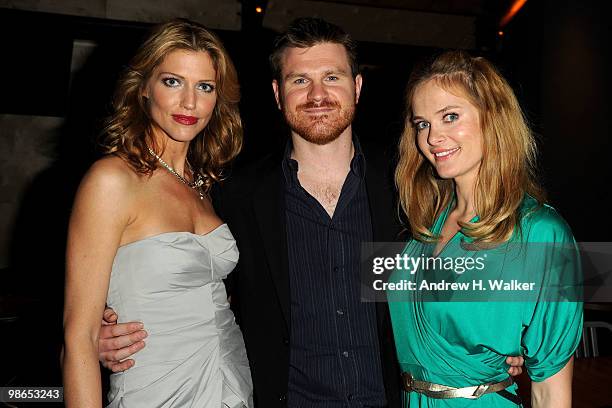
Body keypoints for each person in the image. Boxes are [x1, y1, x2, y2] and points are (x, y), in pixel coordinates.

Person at [98, 18, 525, 407]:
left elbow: (487, 257)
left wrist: (511, 327)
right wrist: (102, 332)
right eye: (300, 80)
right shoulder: (234, 194)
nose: (317, 95)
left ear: (357, 87)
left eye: (332, 77)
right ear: (277, 92)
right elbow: (191, 282)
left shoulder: (412, 184)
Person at [62, 19, 253, 407]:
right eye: (172, 82)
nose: (189, 103)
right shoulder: (112, 180)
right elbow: (77, 338)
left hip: (230, 386)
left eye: (205, 87)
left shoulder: (205, 185)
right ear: (143, 87)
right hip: (157, 392)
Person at [389, 50, 583, 407]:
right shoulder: (424, 224)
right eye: (422, 123)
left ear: (493, 119)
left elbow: (551, 389)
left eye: (450, 116)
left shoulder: (540, 233)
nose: (433, 138)